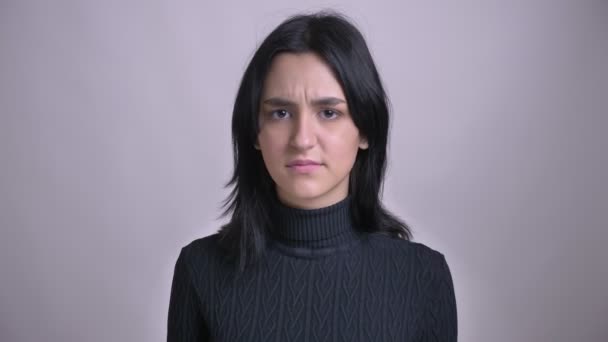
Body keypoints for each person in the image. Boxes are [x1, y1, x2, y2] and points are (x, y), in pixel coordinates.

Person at [167, 10, 457, 341]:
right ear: (254, 133)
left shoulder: (423, 277)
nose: (302, 139)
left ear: (365, 130)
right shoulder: (200, 269)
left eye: (329, 113)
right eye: (281, 113)